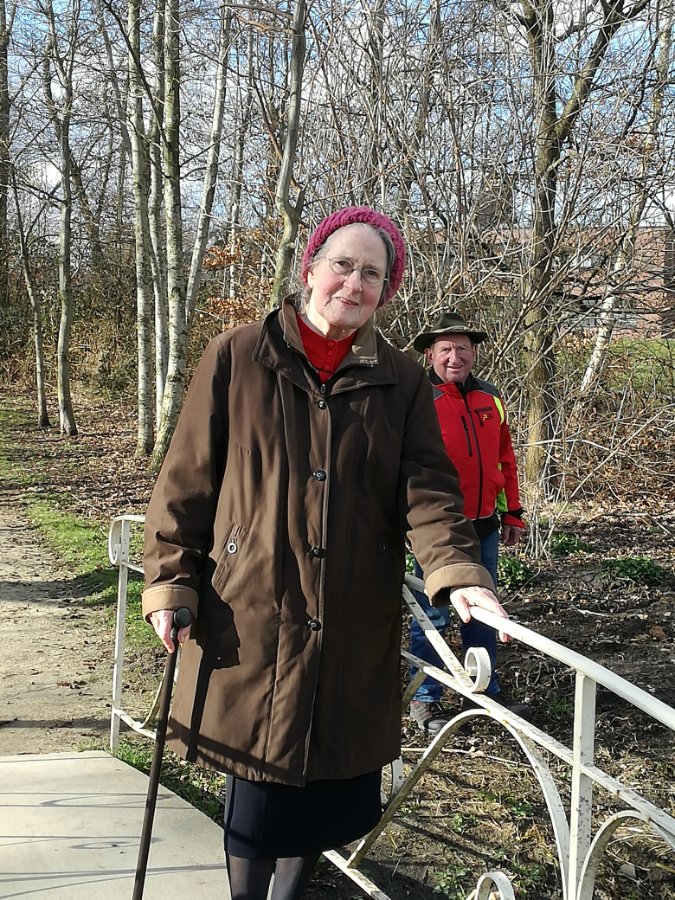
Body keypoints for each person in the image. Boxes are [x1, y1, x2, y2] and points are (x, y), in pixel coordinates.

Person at [141, 208, 511, 900]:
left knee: (321, 791)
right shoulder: (237, 355)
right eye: (342, 264)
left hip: (350, 616)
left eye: (372, 273)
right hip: (250, 611)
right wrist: (170, 584)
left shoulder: (403, 381)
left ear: (385, 292)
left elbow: (428, 491)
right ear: (310, 269)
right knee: (255, 796)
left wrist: (457, 570)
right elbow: (185, 484)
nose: (354, 282)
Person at [408, 310, 530, 736]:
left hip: (485, 525)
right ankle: (425, 696)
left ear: (474, 353)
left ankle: (483, 691)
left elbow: (504, 459)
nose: (454, 357)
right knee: (433, 613)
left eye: (462, 348)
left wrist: (512, 512)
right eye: (445, 349)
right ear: (430, 354)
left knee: (484, 611)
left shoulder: (489, 398)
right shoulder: (418, 399)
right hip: (438, 530)